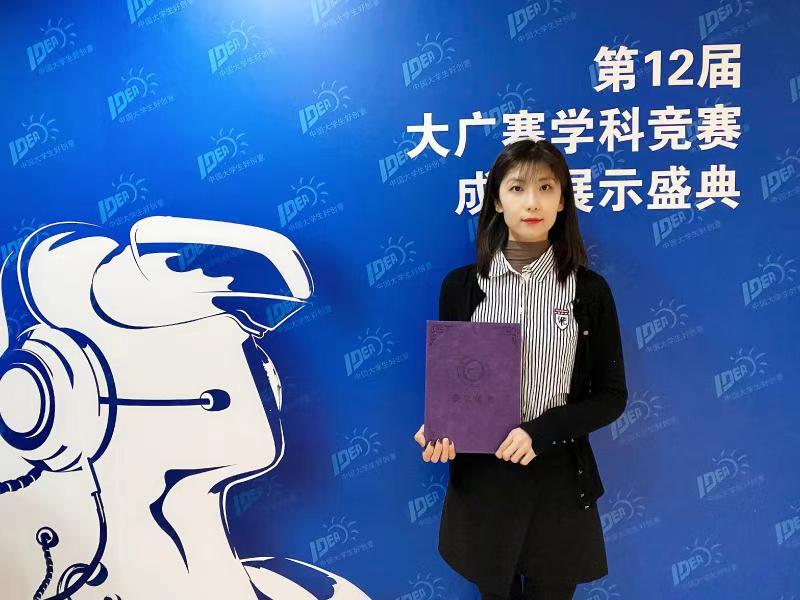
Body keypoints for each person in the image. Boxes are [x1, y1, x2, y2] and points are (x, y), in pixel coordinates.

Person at [413, 139, 628, 600]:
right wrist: (441, 428)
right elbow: (454, 385)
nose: (532, 202)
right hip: (484, 479)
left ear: (563, 200)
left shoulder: (589, 291)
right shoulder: (461, 287)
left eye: (546, 188)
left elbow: (612, 396)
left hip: (558, 476)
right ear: (496, 200)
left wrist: (540, 432)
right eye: (517, 188)